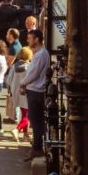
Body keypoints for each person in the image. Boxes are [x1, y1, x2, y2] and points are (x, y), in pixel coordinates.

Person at [20, 30, 49, 162]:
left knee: (36, 121)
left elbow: (34, 73)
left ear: (36, 39)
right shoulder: (38, 53)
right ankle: (37, 147)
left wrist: (23, 83)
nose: (28, 41)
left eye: (30, 38)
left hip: (36, 91)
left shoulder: (41, 54)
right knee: (34, 119)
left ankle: (37, 149)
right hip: (34, 89)